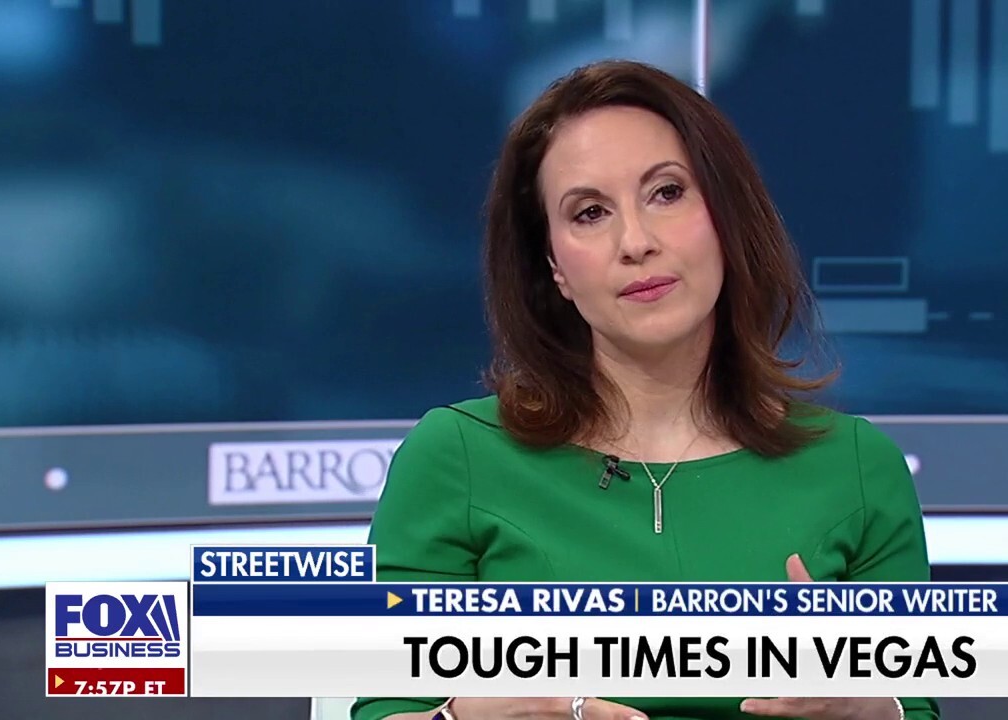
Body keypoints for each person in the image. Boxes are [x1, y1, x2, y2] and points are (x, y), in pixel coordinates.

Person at [350, 60, 938, 720]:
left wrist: (865, 708)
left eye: (666, 193)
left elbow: (913, 706)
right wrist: (466, 716)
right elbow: (385, 709)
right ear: (554, 266)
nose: (635, 242)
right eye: (590, 212)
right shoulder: (456, 459)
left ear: (725, 214)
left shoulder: (857, 468)